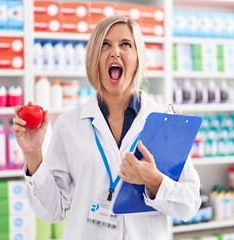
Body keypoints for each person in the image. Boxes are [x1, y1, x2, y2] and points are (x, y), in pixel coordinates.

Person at [12, 15, 201, 240]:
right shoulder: (69, 124)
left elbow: (189, 204)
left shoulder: (165, 123)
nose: (115, 52)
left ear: (138, 57)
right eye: (105, 44)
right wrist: (33, 155)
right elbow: (51, 211)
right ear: (94, 58)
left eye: (125, 44)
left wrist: (154, 180)